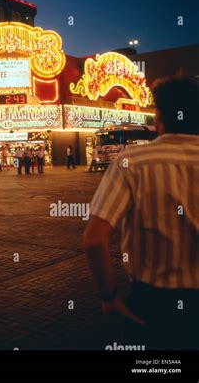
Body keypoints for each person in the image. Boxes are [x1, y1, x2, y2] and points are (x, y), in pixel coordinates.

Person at [83, 75, 199, 350]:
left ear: (159, 117)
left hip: (153, 305)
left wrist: (109, 296)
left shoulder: (132, 163)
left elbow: (94, 240)